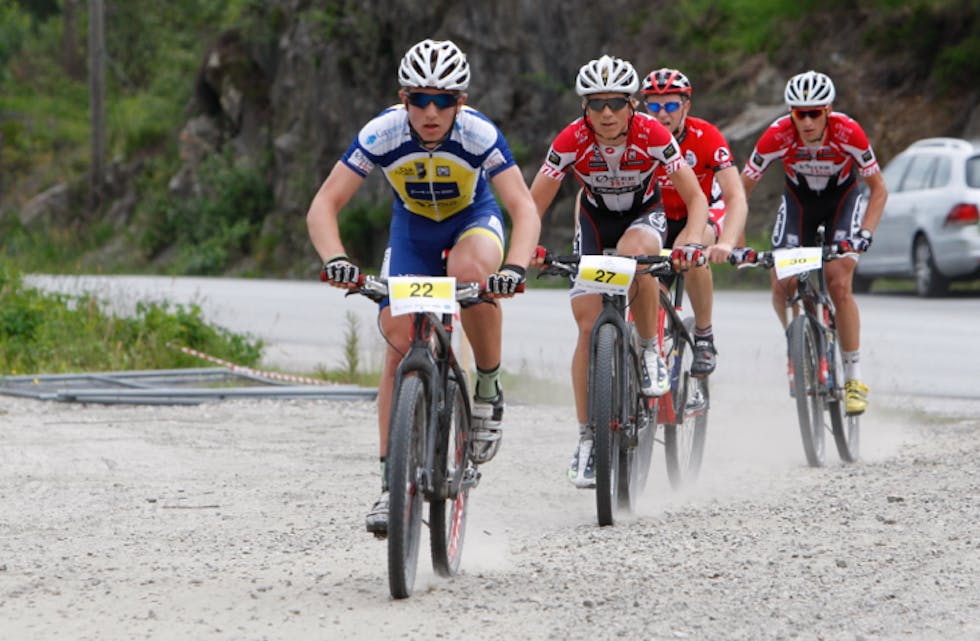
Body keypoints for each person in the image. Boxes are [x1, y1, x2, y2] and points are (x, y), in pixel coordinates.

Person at [307, 38, 541, 536]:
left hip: (473, 223)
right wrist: (337, 259)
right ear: (403, 98)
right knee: (397, 338)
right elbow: (324, 205)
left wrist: (516, 267)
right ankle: (391, 484)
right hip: (412, 230)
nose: (431, 111)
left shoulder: (479, 134)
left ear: (461, 102)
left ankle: (488, 387)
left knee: (470, 274)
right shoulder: (384, 132)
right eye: (419, 99)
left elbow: (523, 208)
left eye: (444, 100)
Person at [528, 55, 709, 488]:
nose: (606, 113)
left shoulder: (654, 134)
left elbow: (696, 199)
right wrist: (526, 250)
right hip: (593, 221)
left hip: (644, 217)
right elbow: (531, 204)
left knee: (634, 259)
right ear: (584, 108)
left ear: (632, 104)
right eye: (596, 104)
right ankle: (588, 439)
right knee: (589, 327)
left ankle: (648, 350)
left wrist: (691, 240)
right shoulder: (571, 140)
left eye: (615, 103)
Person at [740, 70, 887, 415]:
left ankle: (853, 376)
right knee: (781, 283)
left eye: (814, 113)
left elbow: (879, 188)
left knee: (838, 282)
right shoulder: (778, 135)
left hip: (842, 202)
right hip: (799, 204)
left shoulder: (848, 131)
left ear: (828, 111)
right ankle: (799, 347)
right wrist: (738, 239)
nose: (805, 122)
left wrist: (865, 233)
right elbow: (741, 188)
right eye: (798, 113)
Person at [639, 67, 749, 376]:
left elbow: (735, 196)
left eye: (671, 106)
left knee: (692, 250)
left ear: (686, 106)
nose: (663, 114)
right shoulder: (638, 136)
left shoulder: (707, 136)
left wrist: (727, 241)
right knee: (645, 285)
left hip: (700, 212)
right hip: (658, 216)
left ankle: (704, 336)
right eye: (655, 106)